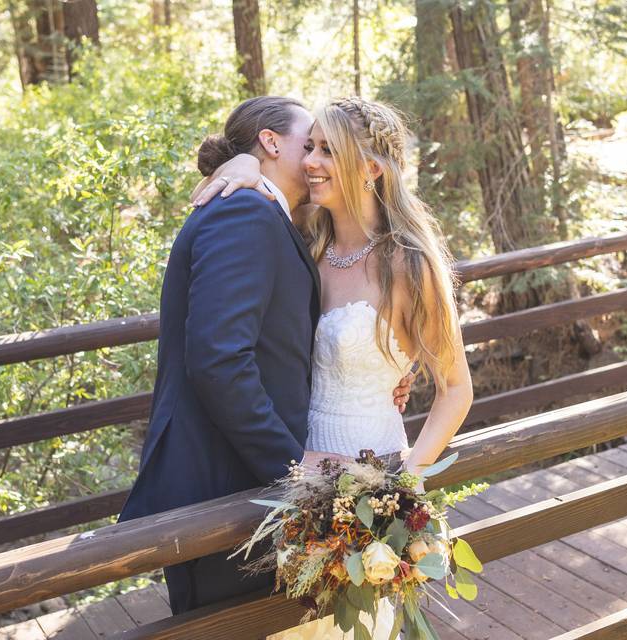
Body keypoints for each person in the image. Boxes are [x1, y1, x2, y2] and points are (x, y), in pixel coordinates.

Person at [117, 96, 413, 618]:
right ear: (271, 142)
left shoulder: (277, 216)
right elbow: (218, 361)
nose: (319, 157)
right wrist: (295, 467)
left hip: (247, 479)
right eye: (310, 142)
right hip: (221, 483)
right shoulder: (245, 212)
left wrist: (389, 368)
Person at [196, 97, 474, 639]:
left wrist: (403, 486)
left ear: (370, 168)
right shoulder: (306, 240)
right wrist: (244, 162)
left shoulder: (408, 262)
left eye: (328, 150)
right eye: (311, 146)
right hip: (293, 469)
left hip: (372, 477)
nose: (311, 161)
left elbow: (456, 388)